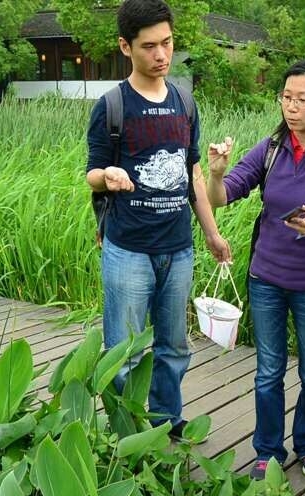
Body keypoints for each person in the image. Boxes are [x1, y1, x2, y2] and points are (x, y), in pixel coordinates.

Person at [206, 59, 305, 481]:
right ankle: (268, 450)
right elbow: (222, 196)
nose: (291, 107)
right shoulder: (270, 149)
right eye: (286, 98)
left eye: (302, 100)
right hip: (266, 281)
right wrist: (216, 174)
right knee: (268, 371)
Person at [85, 0, 230, 438]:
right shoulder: (112, 105)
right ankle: (125, 433)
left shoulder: (184, 102)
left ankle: (167, 422)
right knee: (124, 352)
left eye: (167, 43)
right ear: (125, 47)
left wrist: (212, 233)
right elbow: (92, 172)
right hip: (128, 249)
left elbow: (192, 172)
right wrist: (107, 176)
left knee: (174, 347)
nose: (161, 54)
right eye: (149, 46)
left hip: (178, 248)